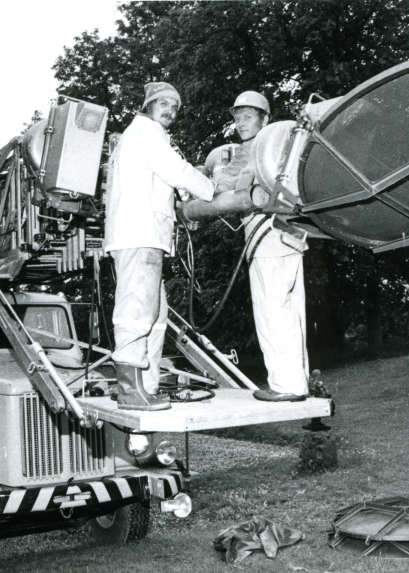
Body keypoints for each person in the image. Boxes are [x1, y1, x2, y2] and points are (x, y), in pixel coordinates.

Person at [105, 82, 216, 411]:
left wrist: (189, 193)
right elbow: (175, 170)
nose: (170, 110)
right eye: (164, 103)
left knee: (155, 317)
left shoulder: (149, 137)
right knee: (138, 312)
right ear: (148, 105)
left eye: (175, 107)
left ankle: (147, 387)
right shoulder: (144, 132)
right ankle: (130, 390)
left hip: (147, 235)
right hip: (138, 234)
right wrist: (211, 188)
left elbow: (169, 178)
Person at [204, 91, 310, 402]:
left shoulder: (252, 148)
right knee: (292, 312)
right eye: (237, 117)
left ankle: (285, 385)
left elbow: (219, 187)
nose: (240, 122)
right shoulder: (286, 144)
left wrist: (211, 170)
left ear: (265, 119)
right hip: (293, 237)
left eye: (248, 116)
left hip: (267, 240)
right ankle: (299, 382)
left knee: (271, 311)